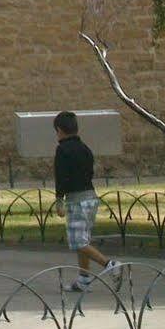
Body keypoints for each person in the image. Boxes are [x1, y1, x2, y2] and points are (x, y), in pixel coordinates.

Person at [54, 110, 120, 292]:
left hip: (76, 200)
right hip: (91, 197)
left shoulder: (62, 150)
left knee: (78, 242)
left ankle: (109, 264)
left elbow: (61, 177)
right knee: (83, 241)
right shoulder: (85, 149)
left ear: (59, 130)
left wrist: (59, 200)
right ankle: (83, 279)